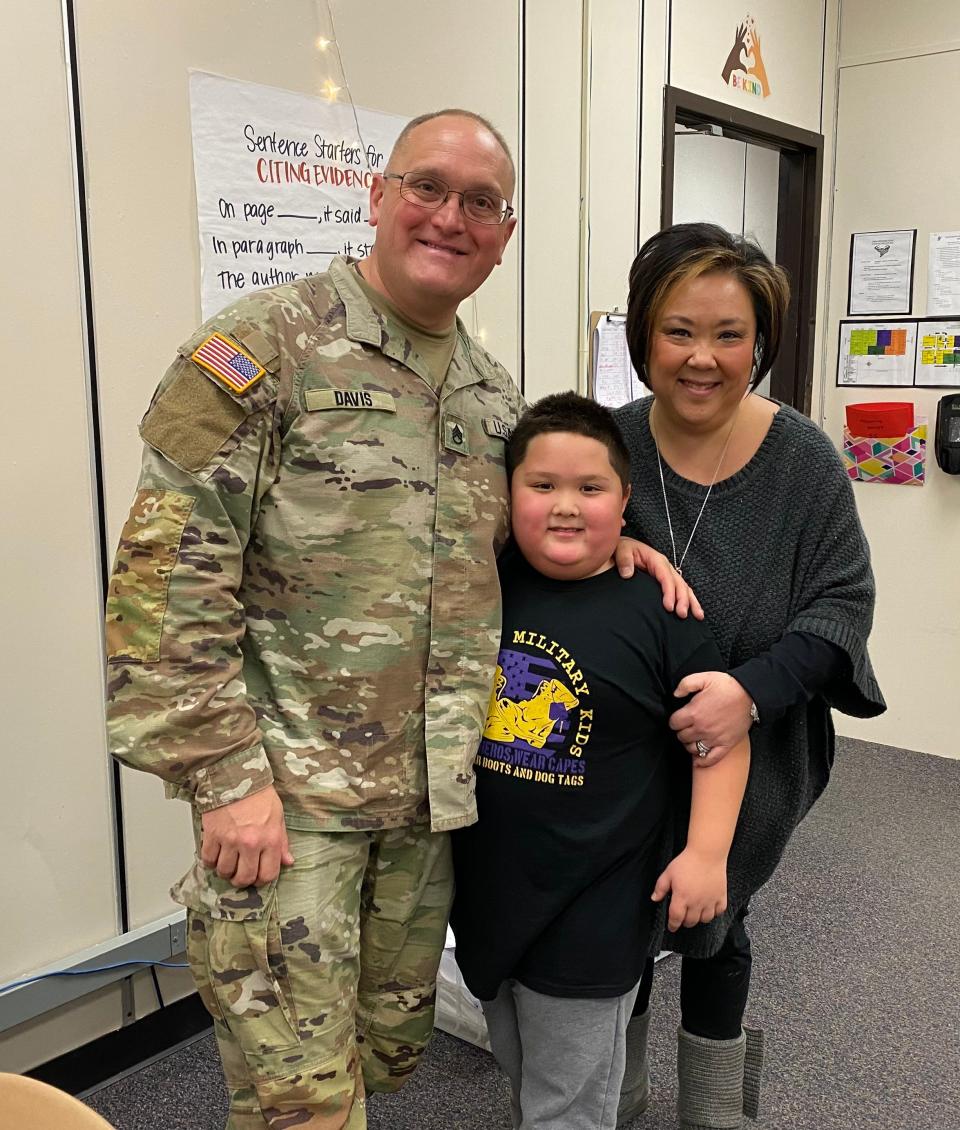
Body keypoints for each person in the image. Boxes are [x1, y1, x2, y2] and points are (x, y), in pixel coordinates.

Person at [104, 109, 688, 1130]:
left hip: (430, 812)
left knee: (383, 1055)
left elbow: (510, 548)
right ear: (377, 196)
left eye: (481, 202)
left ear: (505, 231)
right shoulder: (264, 348)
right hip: (287, 812)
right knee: (301, 1097)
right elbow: (167, 580)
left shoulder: (492, 396)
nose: (450, 217)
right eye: (426, 186)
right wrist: (226, 779)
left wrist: (614, 549)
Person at [612, 222, 886, 1130]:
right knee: (619, 924)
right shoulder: (602, 445)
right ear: (643, 335)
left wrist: (748, 694)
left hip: (757, 749)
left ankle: (714, 1111)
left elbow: (841, 605)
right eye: (679, 331)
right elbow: (534, 540)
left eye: (730, 335)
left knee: (715, 924)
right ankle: (617, 1100)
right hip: (620, 755)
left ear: (759, 345)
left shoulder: (802, 459)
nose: (703, 358)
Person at [450, 393, 750, 1130]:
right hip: (489, 895)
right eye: (542, 485)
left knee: (569, 1108)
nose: (565, 507)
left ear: (625, 504)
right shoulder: (481, 586)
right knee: (524, 1074)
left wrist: (707, 854)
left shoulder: (658, 609)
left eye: (591, 489)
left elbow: (718, 737)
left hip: (597, 905)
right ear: (507, 493)